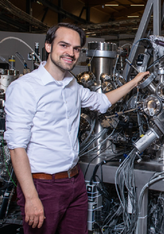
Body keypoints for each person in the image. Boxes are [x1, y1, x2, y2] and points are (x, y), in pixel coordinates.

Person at [4, 23, 149, 234]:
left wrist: (134, 82)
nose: (70, 53)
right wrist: (31, 197)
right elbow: (17, 147)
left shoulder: (71, 84)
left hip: (75, 182)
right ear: (48, 46)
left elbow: (101, 102)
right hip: (43, 186)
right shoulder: (25, 87)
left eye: (76, 48)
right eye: (64, 45)